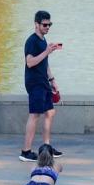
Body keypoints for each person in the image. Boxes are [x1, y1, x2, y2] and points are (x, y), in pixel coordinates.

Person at [20, 10, 63, 162]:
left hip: (43, 82)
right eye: (44, 25)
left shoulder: (43, 40)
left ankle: (46, 148)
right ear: (36, 24)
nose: (47, 27)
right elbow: (30, 62)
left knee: (50, 112)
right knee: (35, 115)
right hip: (35, 83)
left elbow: (45, 63)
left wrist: (52, 80)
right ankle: (25, 152)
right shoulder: (31, 41)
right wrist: (46, 52)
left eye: (49, 24)